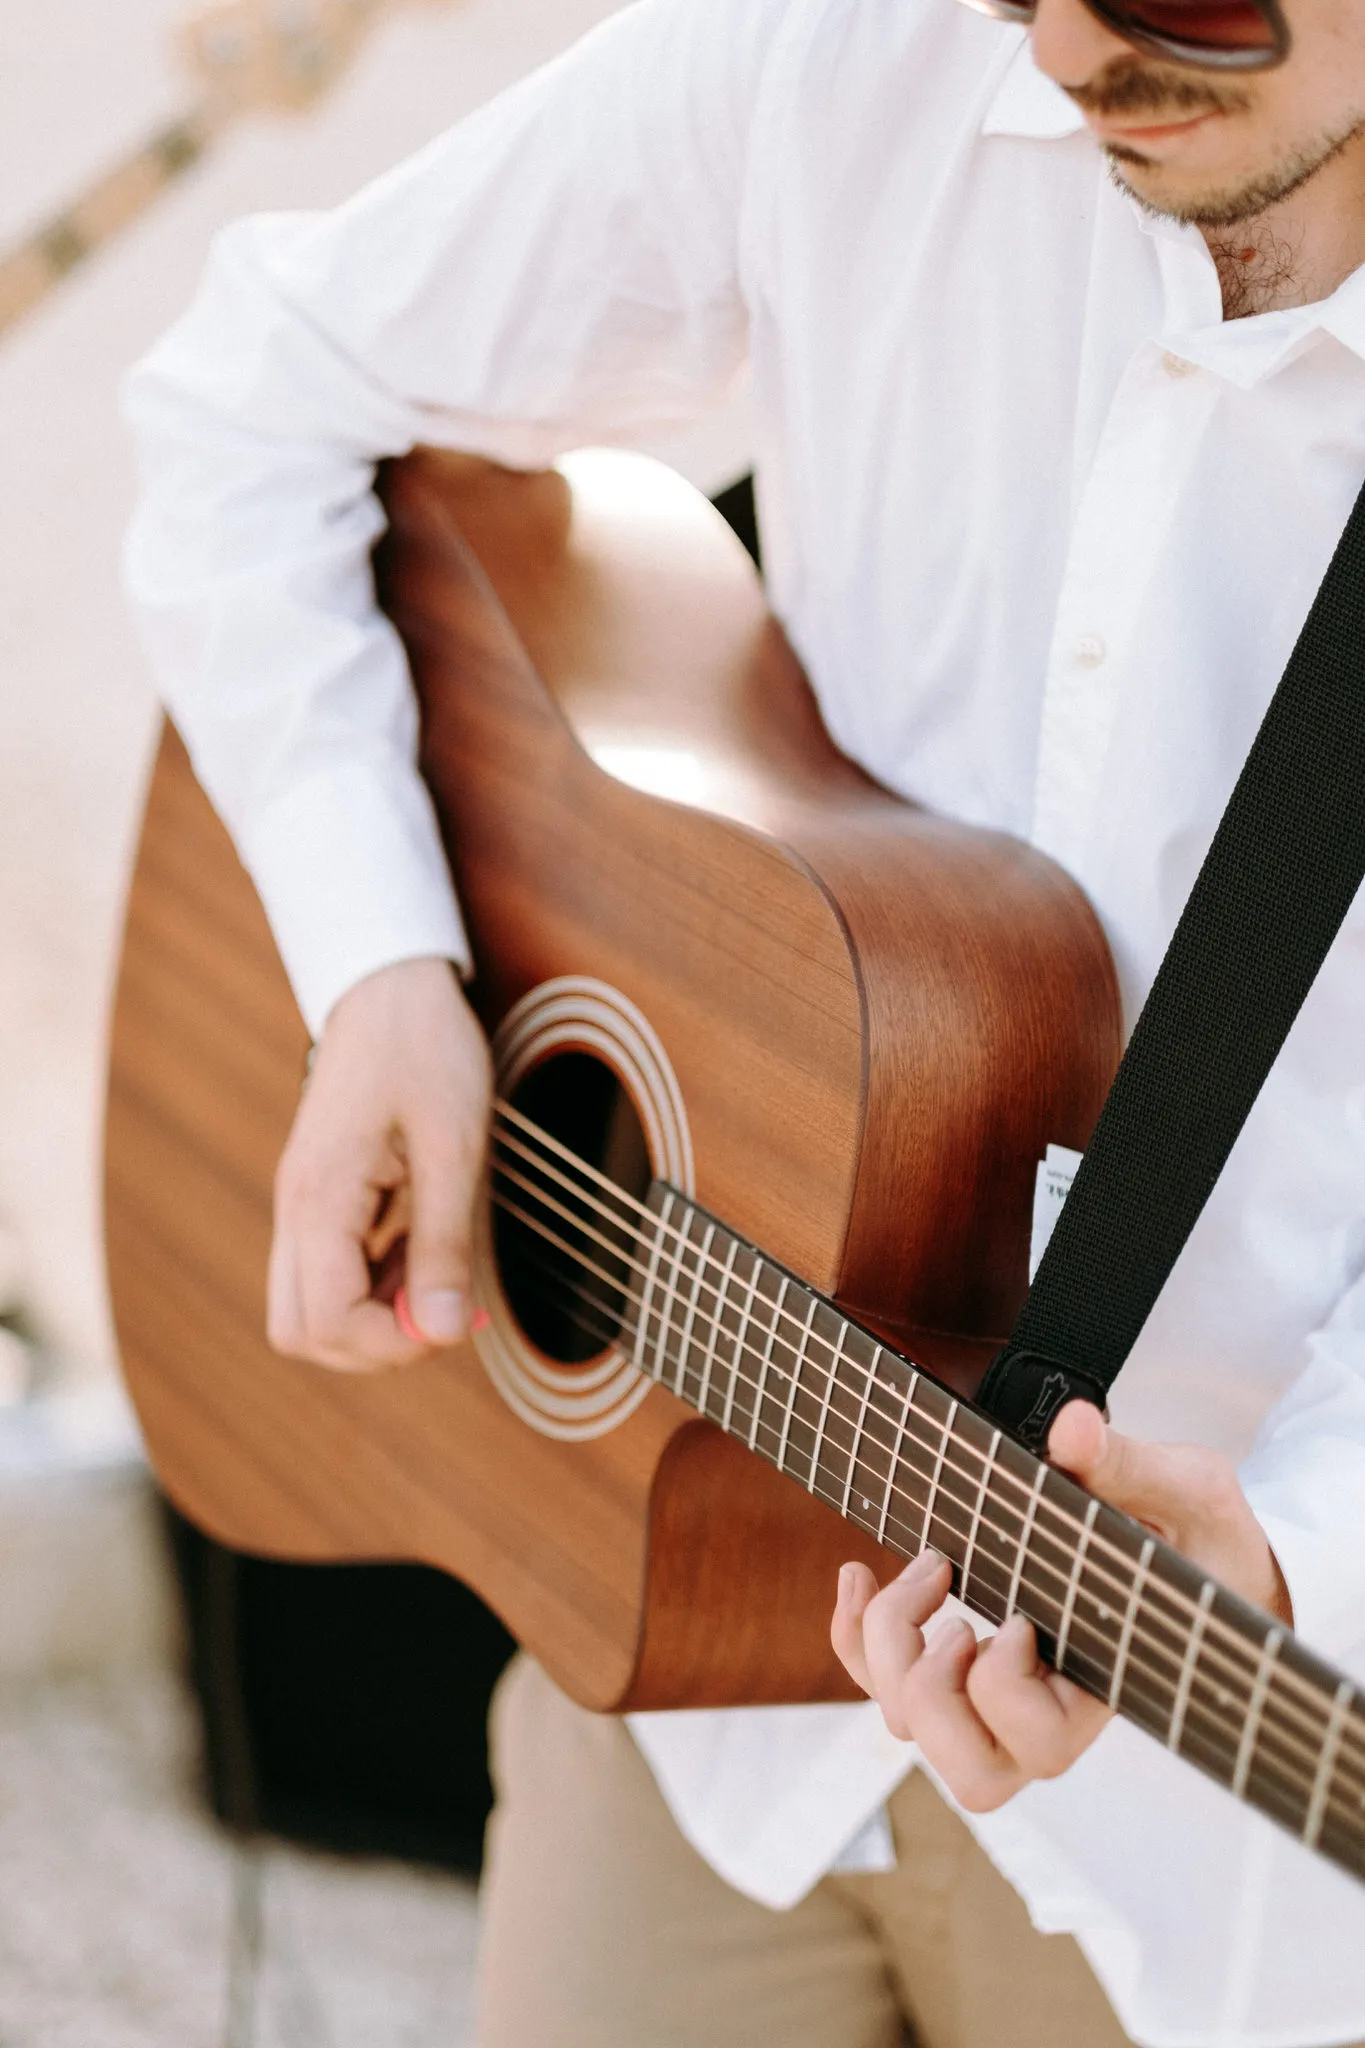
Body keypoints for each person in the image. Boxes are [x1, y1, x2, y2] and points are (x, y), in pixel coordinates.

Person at [122, 0, 1365, 2035]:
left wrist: (1291, 1565)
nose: (1059, 47)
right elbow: (250, 395)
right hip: (687, 1690)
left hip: (1220, 1872)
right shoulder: (843, 61)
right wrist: (381, 963)